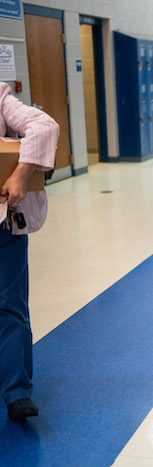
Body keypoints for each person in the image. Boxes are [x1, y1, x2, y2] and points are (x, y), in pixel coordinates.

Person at [0, 82, 59, 421]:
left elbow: (44, 125)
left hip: (3, 227)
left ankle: (15, 391)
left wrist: (21, 175)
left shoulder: (1, 99)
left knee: (9, 307)